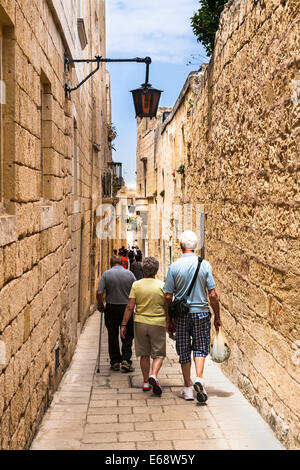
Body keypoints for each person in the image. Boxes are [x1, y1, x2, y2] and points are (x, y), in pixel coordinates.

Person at [164, 230, 222, 403]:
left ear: (181, 246)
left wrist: (168, 319)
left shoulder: (174, 267)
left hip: (181, 315)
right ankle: (199, 378)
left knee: (183, 350)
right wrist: (217, 316)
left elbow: (167, 296)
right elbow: (213, 295)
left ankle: (188, 389)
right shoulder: (205, 265)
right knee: (200, 346)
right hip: (202, 314)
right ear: (195, 247)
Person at [121, 257, 166, 396]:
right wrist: (169, 320)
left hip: (140, 323)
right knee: (158, 354)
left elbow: (130, 307)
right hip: (157, 323)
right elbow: (166, 305)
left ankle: (146, 382)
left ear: (143, 270)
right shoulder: (162, 286)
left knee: (144, 354)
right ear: (156, 270)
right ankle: (154, 374)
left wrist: (123, 324)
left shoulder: (136, 285)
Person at [97, 255, 136, 372]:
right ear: (122, 264)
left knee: (112, 334)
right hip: (126, 308)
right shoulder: (129, 274)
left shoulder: (106, 274)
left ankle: (114, 361)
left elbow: (99, 292)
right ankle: (125, 359)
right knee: (127, 335)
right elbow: (136, 289)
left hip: (111, 307)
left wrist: (100, 305)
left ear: (111, 263)